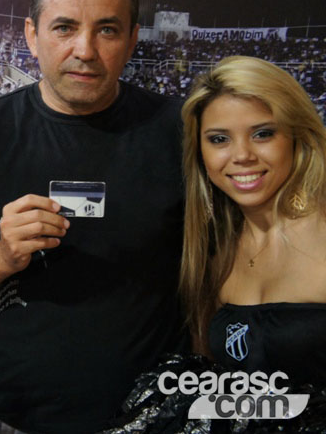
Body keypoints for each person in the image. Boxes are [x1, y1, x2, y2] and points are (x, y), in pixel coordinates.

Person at [0, 0, 187, 433]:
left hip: (146, 416)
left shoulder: (180, 132)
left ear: (132, 39)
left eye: (106, 29)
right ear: (31, 34)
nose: (84, 49)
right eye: (64, 27)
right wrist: (2, 255)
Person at [111, 56, 326, 431]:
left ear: (297, 136)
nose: (241, 155)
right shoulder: (217, 249)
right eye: (219, 139)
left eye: (263, 133)